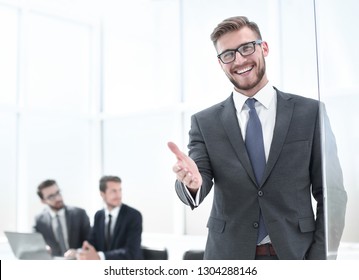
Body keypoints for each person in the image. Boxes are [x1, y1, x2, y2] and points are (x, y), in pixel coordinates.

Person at [168, 16, 347, 260]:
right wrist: (192, 183)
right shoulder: (205, 122)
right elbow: (199, 177)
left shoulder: (310, 113)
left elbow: (332, 193)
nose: (239, 60)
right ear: (220, 63)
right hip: (228, 257)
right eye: (228, 54)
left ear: (264, 47)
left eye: (246, 48)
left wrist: (319, 260)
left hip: (296, 255)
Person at [77, 175, 143, 260]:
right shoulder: (99, 215)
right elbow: (92, 242)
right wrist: (79, 252)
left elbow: (131, 251)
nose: (118, 195)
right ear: (102, 194)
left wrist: (99, 257)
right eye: (113, 191)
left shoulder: (133, 215)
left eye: (120, 190)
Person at [34, 179, 91, 258]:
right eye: (51, 197)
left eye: (58, 193)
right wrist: (43, 249)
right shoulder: (39, 220)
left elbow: (91, 241)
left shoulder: (79, 214)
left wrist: (78, 252)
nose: (58, 198)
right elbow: (35, 243)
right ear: (43, 201)